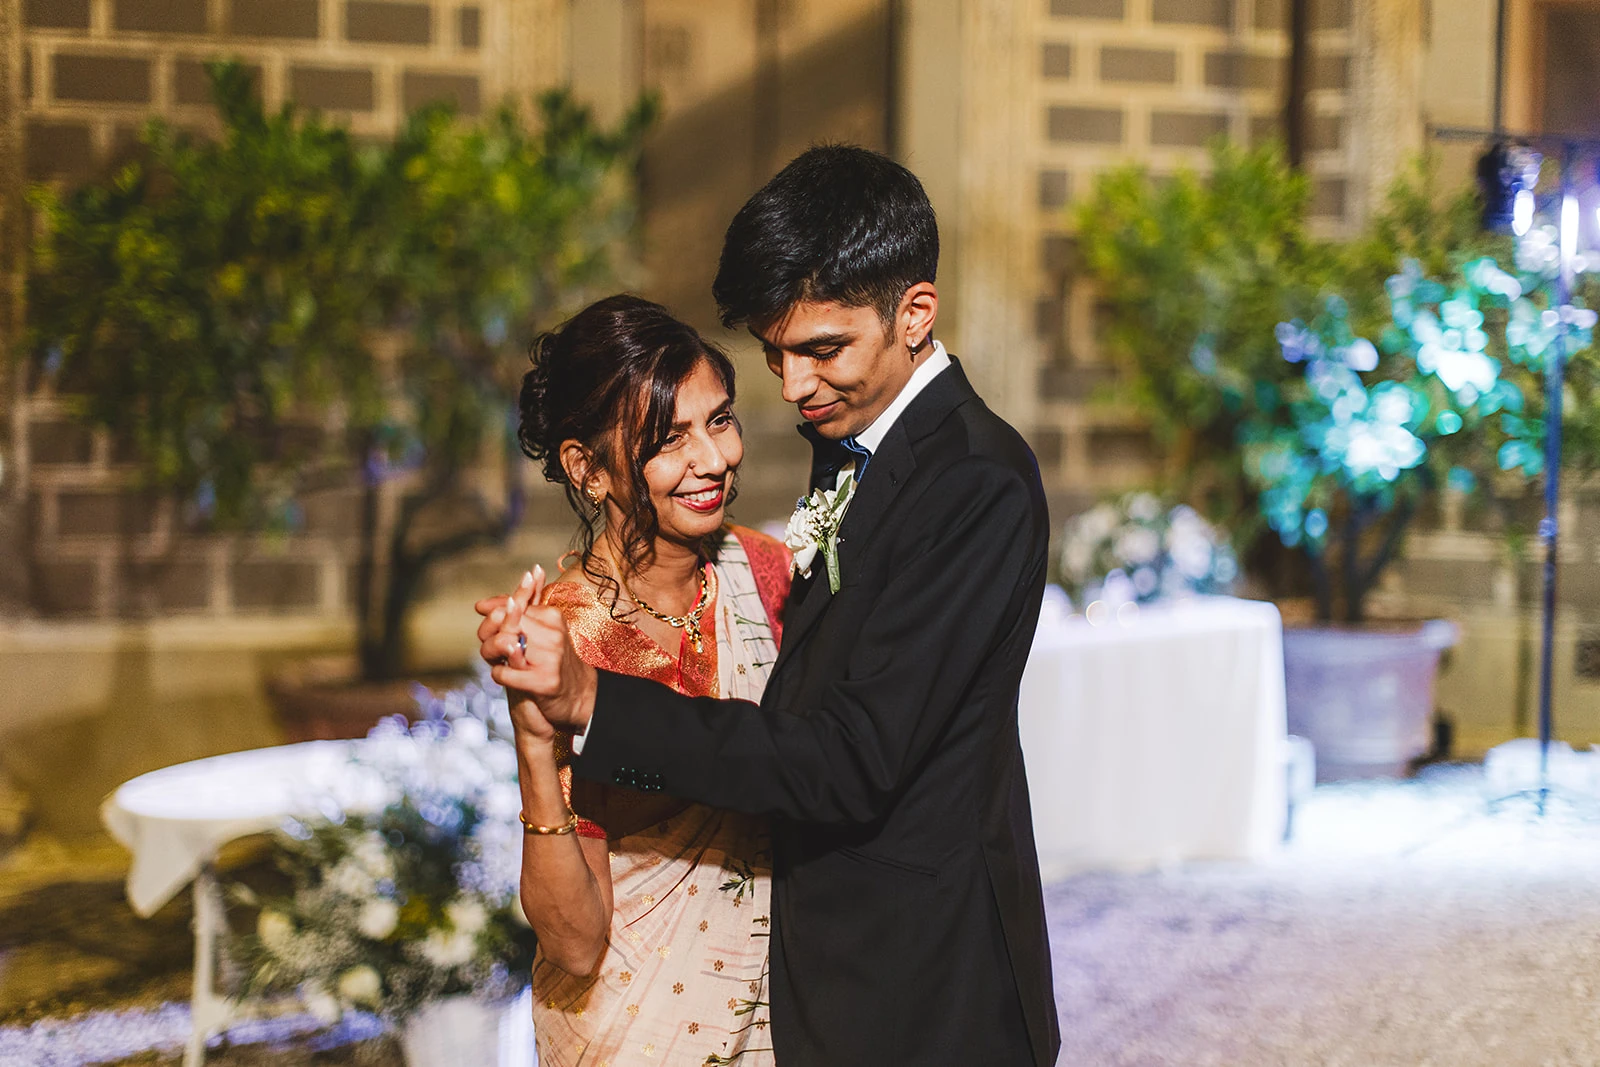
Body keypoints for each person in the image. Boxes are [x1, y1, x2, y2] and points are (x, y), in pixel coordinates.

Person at [483, 146, 1060, 1066]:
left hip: (917, 979)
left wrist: (595, 701)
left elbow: (850, 757)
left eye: (822, 349)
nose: (792, 388)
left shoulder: (974, 481)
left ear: (915, 313)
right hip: (794, 976)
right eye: (774, 354)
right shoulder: (852, 439)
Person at [486, 294, 792, 1066]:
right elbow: (575, 942)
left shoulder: (769, 575)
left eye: (720, 420)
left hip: (782, 1014)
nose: (714, 460)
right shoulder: (569, 639)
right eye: (668, 439)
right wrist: (533, 739)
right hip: (634, 1027)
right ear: (586, 468)